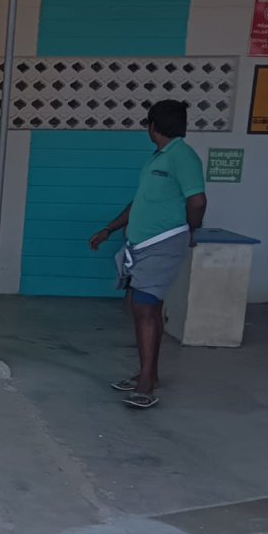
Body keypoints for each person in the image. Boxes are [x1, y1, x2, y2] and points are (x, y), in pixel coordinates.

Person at [89, 100, 207, 409]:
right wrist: (110, 229)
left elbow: (197, 201)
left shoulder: (182, 157)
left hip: (163, 243)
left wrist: (190, 230)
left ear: (153, 126)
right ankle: (148, 373)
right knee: (143, 306)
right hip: (141, 245)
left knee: (144, 307)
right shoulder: (158, 158)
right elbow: (140, 202)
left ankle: (145, 383)